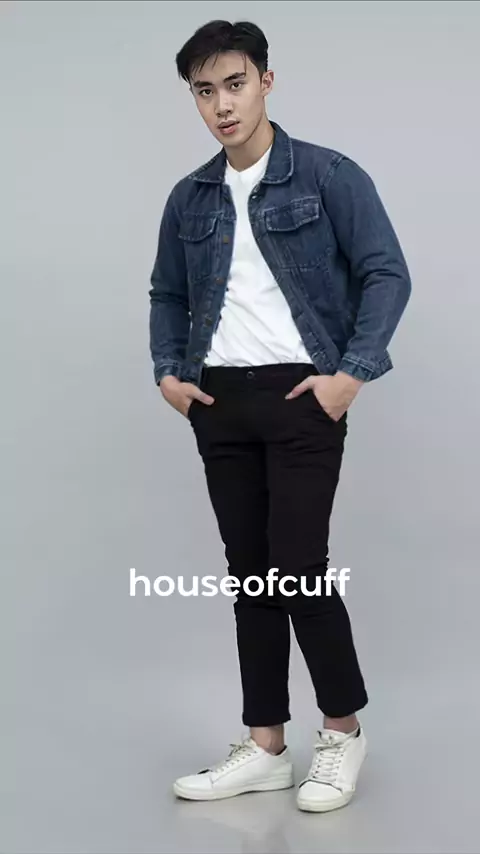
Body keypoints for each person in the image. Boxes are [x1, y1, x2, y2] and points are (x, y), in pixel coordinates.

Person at [148, 19, 411, 812]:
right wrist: (169, 374)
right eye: (204, 92)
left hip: (304, 398)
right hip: (220, 403)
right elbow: (167, 292)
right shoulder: (190, 196)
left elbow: (386, 274)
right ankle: (265, 744)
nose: (222, 106)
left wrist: (349, 377)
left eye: (235, 84)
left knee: (296, 567)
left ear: (266, 81)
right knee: (251, 577)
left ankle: (343, 731)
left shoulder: (328, 175)